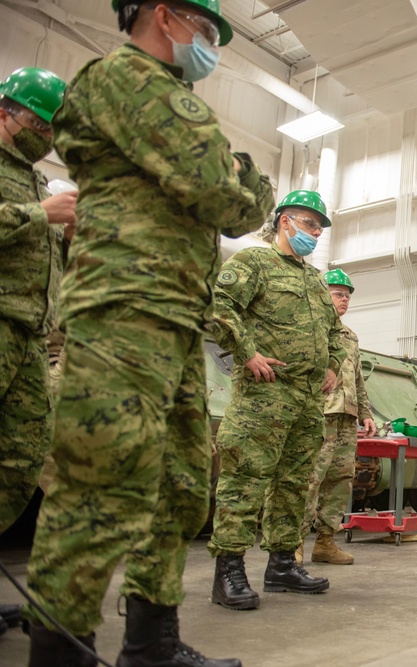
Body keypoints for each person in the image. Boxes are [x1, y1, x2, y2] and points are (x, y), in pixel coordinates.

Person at [23, 1, 275, 665]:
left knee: (180, 485)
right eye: (207, 28)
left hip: (175, 317)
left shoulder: (160, 95)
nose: (211, 43)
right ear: (165, 16)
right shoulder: (129, 79)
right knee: (102, 489)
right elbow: (227, 197)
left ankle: (152, 645)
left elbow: (212, 193)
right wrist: (252, 177)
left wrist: (233, 181)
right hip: (125, 310)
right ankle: (59, 650)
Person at [208, 190, 346, 611]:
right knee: (245, 478)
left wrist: (333, 364)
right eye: (308, 223)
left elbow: (334, 331)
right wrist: (246, 352)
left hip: (307, 399)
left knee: (294, 484)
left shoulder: (314, 280)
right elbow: (222, 306)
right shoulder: (254, 262)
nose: (316, 232)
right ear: (284, 221)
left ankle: (282, 564)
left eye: (319, 227)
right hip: (264, 394)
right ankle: (229, 569)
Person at [0, 65, 72, 642]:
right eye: (40, 124)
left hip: (29, 338)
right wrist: (38, 217)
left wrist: (63, 237)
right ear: (6, 111)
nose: (47, 138)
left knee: (20, 463)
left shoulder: (33, 181)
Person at [297, 269, 377, 566]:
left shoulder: (349, 337)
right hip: (319, 413)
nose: (344, 299)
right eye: (338, 293)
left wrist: (366, 414)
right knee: (310, 480)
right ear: (322, 293)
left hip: (346, 417)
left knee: (340, 481)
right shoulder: (310, 328)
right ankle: (294, 544)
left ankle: (325, 543)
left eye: (347, 295)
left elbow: (357, 379)